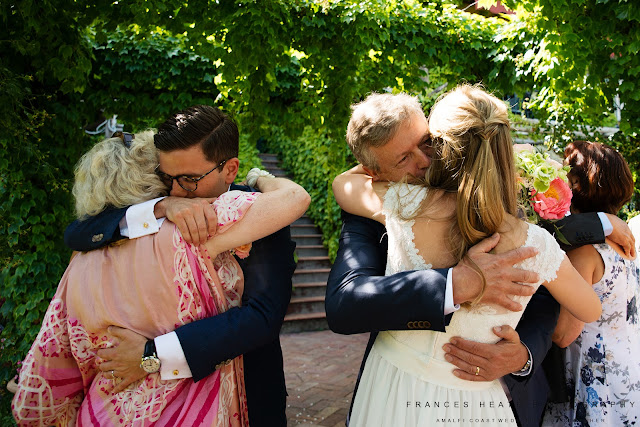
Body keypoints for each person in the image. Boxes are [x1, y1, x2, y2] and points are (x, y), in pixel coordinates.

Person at [326, 89, 633, 427]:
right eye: (402, 159)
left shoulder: (399, 202)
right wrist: (453, 285)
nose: (425, 161)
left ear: (443, 138)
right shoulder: (389, 203)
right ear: (374, 171)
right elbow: (346, 304)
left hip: (473, 392)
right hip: (407, 383)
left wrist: (523, 354)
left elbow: (344, 184)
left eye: (427, 142)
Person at [11, 130, 310, 425]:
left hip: (101, 413)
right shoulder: (196, 229)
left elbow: (49, 364)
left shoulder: (76, 265)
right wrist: (262, 179)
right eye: (170, 177)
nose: (178, 188)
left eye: (185, 177)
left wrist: (147, 355)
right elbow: (294, 198)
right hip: (191, 412)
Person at [543, 141, 640, 426]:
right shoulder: (626, 247)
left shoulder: (584, 253)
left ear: (575, 185)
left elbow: (564, 334)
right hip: (629, 367)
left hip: (596, 379)